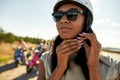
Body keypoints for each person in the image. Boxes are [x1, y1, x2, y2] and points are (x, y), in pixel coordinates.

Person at [37, 0, 120, 80]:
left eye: (72, 14)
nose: (62, 20)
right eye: (58, 15)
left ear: (87, 20)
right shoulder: (46, 59)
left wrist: (93, 67)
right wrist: (59, 68)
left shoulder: (111, 66)